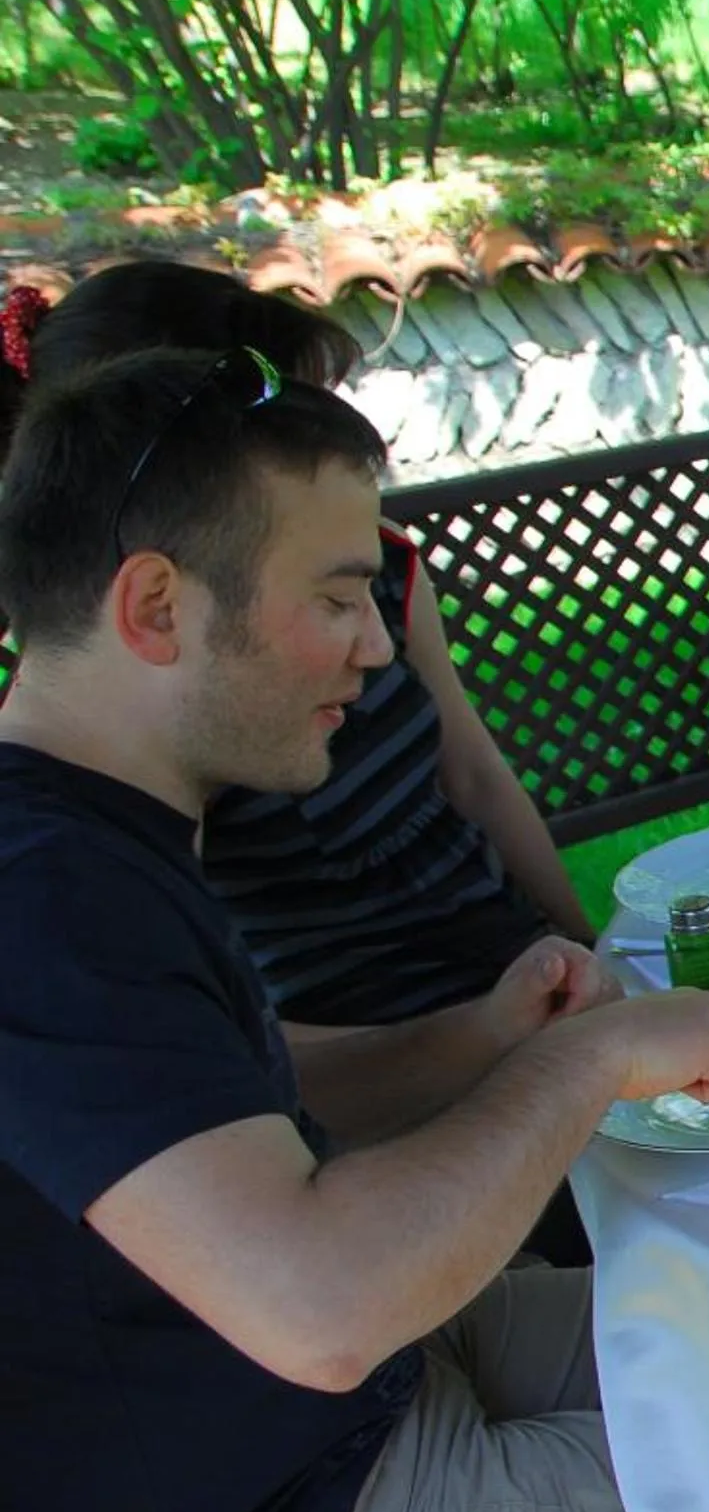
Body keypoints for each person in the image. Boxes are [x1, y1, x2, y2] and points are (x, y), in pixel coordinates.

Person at [0, 350, 709, 1512]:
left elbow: (244, 1110)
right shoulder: (47, 899)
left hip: (349, 1423)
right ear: (157, 605)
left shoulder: (95, 832)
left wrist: (479, 1038)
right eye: (341, 596)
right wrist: (579, 1066)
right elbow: (319, 1310)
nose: (376, 642)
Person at [0, 262, 596, 1027]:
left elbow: (472, 771)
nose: (372, 646)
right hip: (374, 1035)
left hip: (515, 968)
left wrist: (582, 943)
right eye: (282, 414)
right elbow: (259, 1063)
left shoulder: (377, 569)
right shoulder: (110, 731)